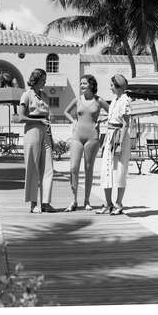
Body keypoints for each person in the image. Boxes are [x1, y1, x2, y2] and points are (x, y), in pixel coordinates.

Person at [63, 75, 109, 212]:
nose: (82, 86)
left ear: (91, 85)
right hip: (77, 136)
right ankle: (74, 200)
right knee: (73, 168)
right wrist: (73, 121)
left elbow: (112, 111)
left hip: (92, 137)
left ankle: (87, 200)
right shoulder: (77, 99)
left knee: (89, 169)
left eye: (84, 83)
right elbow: (66, 112)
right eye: (81, 83)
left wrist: (101, 121)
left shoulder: (98, 100)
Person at [18, 69, 56, 213]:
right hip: (32, 131)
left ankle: (46, 203)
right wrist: (38, 119)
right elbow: (20, 117)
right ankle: (33, 204)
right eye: (43, 80)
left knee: (48, 168)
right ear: (36, 79)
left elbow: (48, 119)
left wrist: (51, 138)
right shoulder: (26, 95)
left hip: (45, 132)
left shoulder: (45, 96)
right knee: (32, 167)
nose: (45, 82)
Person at [97, 74, 132, 215]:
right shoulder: (114, 100)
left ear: (118, 86)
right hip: (110, 135)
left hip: (119, 137)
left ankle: (118, 203)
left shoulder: (125, 101)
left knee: (120, 171)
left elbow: (125, 123)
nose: (110, 87)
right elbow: (113, 117)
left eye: (112, 85)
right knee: (106, 170)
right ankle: (108, 203)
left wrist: (119, 143)